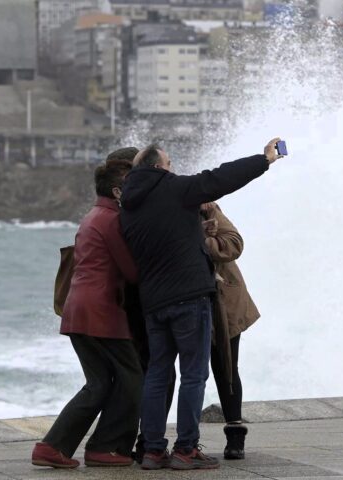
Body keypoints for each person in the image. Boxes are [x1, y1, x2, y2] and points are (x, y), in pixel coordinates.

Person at [119, 138, 284, 470]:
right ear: (157, 166)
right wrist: (264, 160)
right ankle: (185, 448)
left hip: (154, 301)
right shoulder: (176, 189)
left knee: (157, 374)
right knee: (194, 375)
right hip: (189, 298)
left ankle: (152, 449)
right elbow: (219, 178)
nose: (172, 168)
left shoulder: (128, 206)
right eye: (168, 164)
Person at [31, 150, 142, 469]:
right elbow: (131, 271)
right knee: (131, 379)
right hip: (100, 312)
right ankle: (99, 447)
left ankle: (55, 447)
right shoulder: (111, 220)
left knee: (100, 382)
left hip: (79, 309)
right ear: (118, 191)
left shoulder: (94, 215)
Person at [200, 202, 260, 460]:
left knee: (226, 366)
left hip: (223, 299)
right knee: (173, 371)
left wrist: (202, 242)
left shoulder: (207, 208)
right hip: (182, 298)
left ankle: (235, 433)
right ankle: (157, 440)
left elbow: (234, 244)